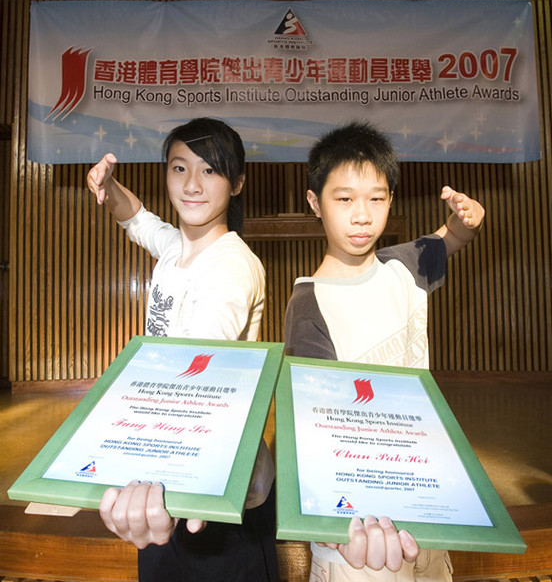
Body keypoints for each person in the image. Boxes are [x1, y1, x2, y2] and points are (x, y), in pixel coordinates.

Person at [284, 121, 485, 582]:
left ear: (391, 201)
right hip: (356, 534)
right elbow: (316, 430)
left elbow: (454, 237)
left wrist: (467, 218)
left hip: (422, 505)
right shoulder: (309, 302)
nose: (362, 215)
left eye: (376, 198)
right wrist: (336, 531)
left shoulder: (403, 267)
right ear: (315, 203)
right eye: (344, 199)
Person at [86, 118, 278, 582]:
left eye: (209, 171)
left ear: (237, 183)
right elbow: (135, 218)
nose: (191, 185)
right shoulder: (177, 247)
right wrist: (108, 187)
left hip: (216, 482)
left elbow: (201, 384)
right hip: (176, 464)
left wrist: (162, 472)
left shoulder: (230, 267)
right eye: (179, 168)